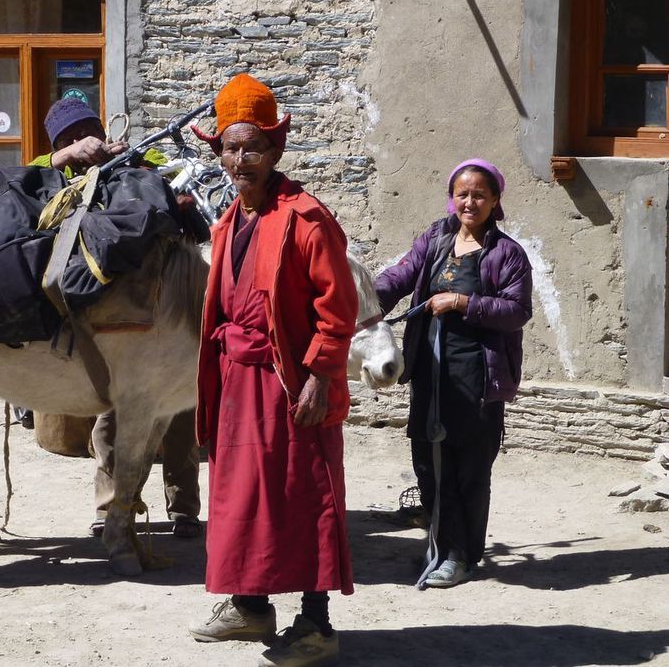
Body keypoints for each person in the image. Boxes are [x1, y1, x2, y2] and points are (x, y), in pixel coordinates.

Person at [189, 73, 357, 667]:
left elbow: (338, 310)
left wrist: (319, 375)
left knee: (304, 493)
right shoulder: (230, 218)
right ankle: (250, 605)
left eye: (253, 147)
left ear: (276, 151)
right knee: (242, 497)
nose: (241, 160)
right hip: (237, 381)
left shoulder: (306, 219)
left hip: (290, 383)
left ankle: (316, 624)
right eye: (231, 148)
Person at [30, 96, 203, 539]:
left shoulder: (137, 157)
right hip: (109, 314)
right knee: (113, 412)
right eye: (69, 137)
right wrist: (65, 157)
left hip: (167, 307)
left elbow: (179, 175)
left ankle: (183, 507)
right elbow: (29, 178)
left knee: (181, 412)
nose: (81, 140)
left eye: (87, 131)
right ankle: (110, 507)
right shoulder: (55, 171)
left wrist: (138, 161)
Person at [374, 158, 532, 588]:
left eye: (479, 194)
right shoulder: (436, 238)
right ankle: (440, 547)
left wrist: (463, 304)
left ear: (495, 200)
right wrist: (366, 301)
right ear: (452, 197)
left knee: (468, 468)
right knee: (427, 462)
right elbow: (401, 274)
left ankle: (462, 557)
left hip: (477, 377)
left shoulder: (507, 254)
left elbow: (517, 311)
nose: (469, 201)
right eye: (462, 193)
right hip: (430, 371)